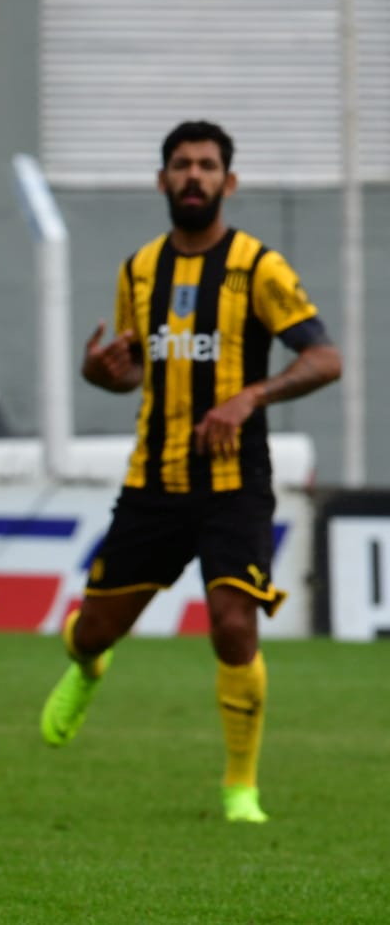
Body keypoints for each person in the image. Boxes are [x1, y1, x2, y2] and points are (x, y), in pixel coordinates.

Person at [39, 120, 341, 823]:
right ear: (162, 181)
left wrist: (251, 395)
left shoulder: (257, 268)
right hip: (152, 483)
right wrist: (98, 373)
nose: (194, 176)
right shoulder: (138, 271)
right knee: (92, 631)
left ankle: (240, 788)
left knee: (232, 621)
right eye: (181, 165)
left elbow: (325, 358)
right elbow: (132, 370)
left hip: (234, 484)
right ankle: (88, 666)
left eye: (207, 165)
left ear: (227, 183)